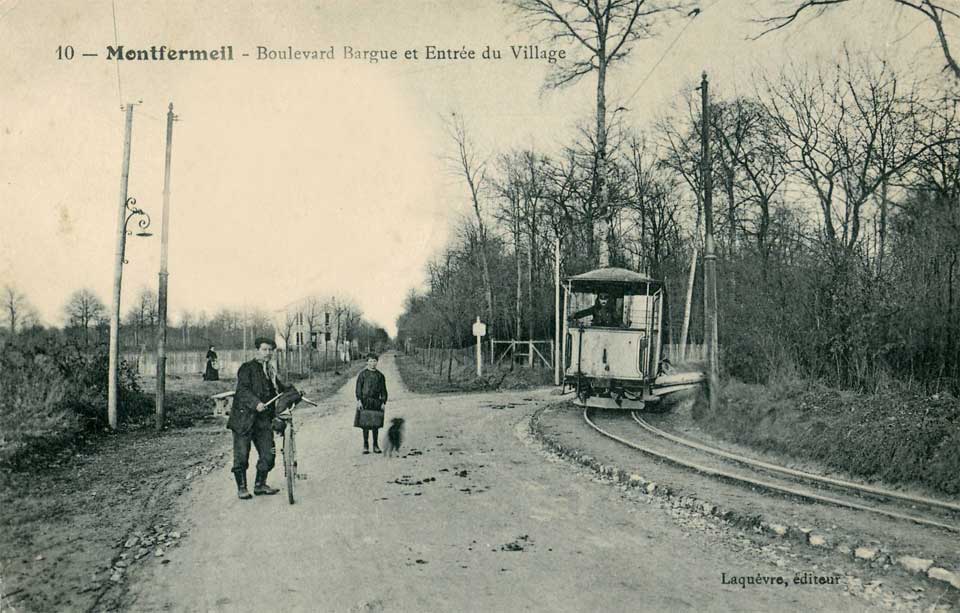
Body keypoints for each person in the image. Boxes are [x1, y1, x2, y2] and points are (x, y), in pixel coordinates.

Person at [227, 337, 290, 499]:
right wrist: (256, 404)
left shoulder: (271, 371)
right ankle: (242, 488)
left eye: (270, 350)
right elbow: (242, 391)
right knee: (241, 456)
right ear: (257, 351)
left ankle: (260, 485)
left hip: (263, 421)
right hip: (244, 420)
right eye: (264, 349)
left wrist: (294, 393)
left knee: (269, 455)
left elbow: (281, 389)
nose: (268, 353)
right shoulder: (246, 368)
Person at [354, 352, 388, 454]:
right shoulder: (362, 375)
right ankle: (365, 445)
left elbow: (384, 390)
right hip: (365, 401)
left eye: (374, 361)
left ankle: (375, 445)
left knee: (375, 424)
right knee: (365, 424)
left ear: (377, 362)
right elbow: (358, 389)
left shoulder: (380, 376)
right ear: (367, 362)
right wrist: (359, 400)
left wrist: (383, 402)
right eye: (370, 361)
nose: (372, 363)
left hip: (376, 402)